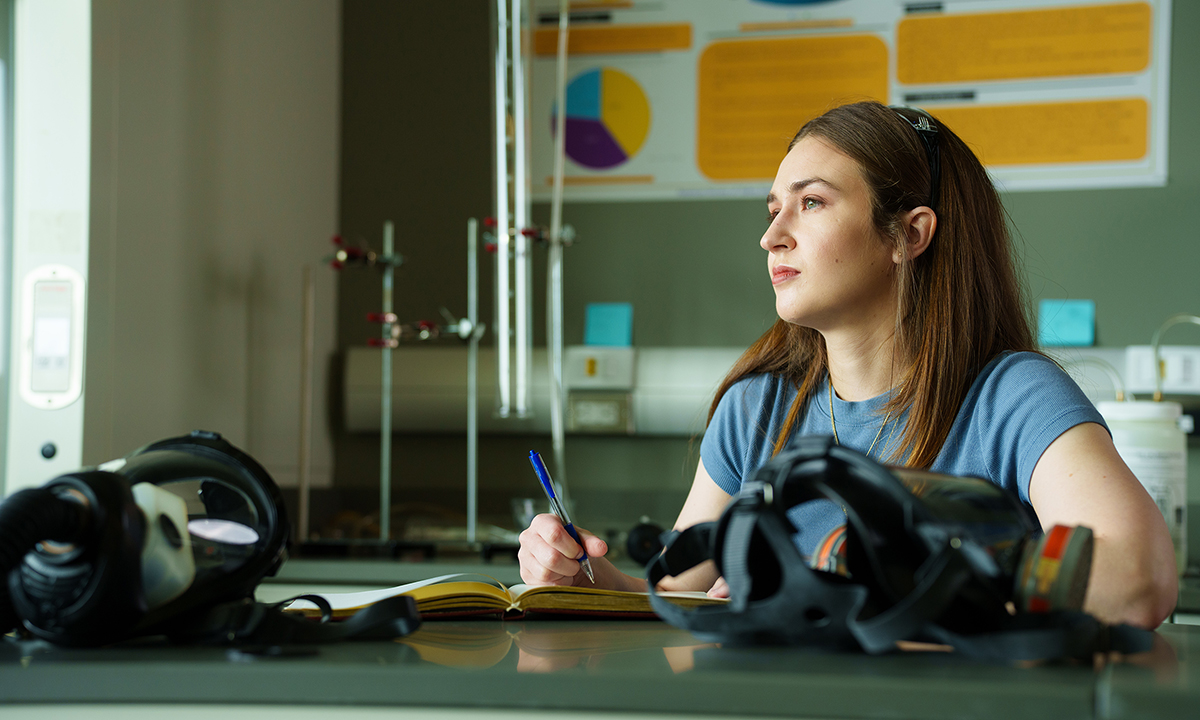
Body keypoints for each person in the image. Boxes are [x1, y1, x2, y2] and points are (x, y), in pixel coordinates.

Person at [518, 100, 1177, 629]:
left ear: (909, 234)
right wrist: (580, 573)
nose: (771, 235)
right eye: (774, 209)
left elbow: (1139, 582)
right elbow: (670, 587)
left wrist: (866, 573)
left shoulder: (1013, 397)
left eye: (810, 203)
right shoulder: (758, 407)